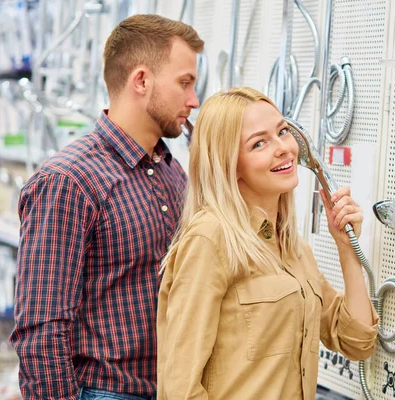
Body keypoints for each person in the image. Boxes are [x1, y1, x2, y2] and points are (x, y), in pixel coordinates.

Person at [9, 14, 203, 399]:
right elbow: (40, 327)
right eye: (185, 83)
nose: (193, 100)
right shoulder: (69, 181)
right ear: (142, 81)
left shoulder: (171, 171)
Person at [157, 87, 379, 400]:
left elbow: (356, 342)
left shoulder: (292, 247)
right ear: (230, 165)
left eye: (282, 132)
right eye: (259, 143)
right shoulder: (210, 239)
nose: (283, 148)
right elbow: (180, 389)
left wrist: (347, 249)